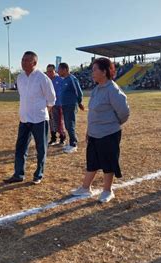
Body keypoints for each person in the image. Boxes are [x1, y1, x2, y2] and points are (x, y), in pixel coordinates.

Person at [71, 57, 130, 203]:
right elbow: (93, 112)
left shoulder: (112, 89)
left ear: (104, 72)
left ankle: (107, 190)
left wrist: (112, 124)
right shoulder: (97, 89)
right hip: (94, 133)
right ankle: (85, 188)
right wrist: (89, 131)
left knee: (108, 163)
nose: (93, 73)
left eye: (95, 70)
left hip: (109, 133)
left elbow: (124, 112)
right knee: (92, 161)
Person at [4, 51, 56, 185]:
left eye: (27, 60)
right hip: (24, 118)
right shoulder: (20, 78)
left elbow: (51, 99)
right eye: (22, 60)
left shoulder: (42, 78)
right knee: (20, 147)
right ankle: (18, 174)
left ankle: (38, 174)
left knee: (41, 147)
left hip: (39, 119)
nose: (24, 62)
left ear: (35, 63)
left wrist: (43, 111)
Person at [58, 62, 84, 153]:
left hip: (71, 105)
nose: (58, 71)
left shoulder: (72, 79)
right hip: (65, 105)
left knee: (70, 124)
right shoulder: (64, 79)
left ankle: (73, 144)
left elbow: (79, 92)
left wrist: (80, 102)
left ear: (65, 69)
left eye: (59, 69)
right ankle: (71, 143)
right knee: (67, 125)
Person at [46, 64, 66, 145]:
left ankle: (62, 138)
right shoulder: (46, 80)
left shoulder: (60, 80)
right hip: (49, 105)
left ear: (55, 71)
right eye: (48, 71)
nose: (49, 73)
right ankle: (53, 138)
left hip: (59, 104)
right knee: (51, 122)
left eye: (51, 71)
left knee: (60, 122)